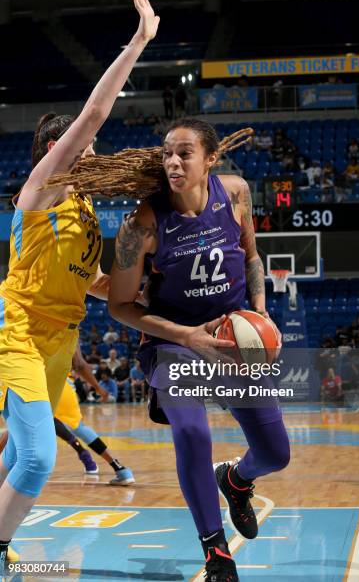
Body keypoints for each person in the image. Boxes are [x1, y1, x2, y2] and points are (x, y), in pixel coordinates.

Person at [0, 0, 159, 576]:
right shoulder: (41, 190)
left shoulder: (86, 212)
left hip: (62, 339)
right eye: (85, 149)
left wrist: (142, 294)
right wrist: (139, 40)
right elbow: (93, 113)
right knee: (39, 459)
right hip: (18, 329)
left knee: (17, 451)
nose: (96, 153)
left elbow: (91, 279)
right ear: (55, 151)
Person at [104, 118, 289, 580]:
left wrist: (261, 312)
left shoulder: (237, 194)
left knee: (276, 454)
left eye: (184, 153)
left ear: (210, 159)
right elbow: (120, 306)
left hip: (229, 337)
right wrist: (186, 336)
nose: (172, 161)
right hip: (173, 343)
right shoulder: (141, 224)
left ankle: (237, 479)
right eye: (167, 152)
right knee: (191, 433)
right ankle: (216, 551)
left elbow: (250, 256)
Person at [54, 374, 134, 483]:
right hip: (62, 383)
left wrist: (99, 388)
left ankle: (83, 454)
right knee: (77, 427)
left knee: (45, 420)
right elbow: (80, 365)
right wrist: (99, 389)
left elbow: (80, 365)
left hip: (39, 383)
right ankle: (119, 468)